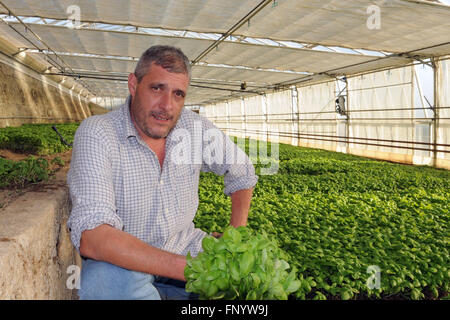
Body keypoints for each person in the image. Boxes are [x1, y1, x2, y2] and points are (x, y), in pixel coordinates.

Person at [67, 45, 258, 300]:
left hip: (187, 251)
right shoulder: (99, 132)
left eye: (178, 94)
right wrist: (190, 269)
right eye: (157, 88)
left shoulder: (193, 127)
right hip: (127, 265)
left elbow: (242, 170)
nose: (167, 106)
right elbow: (93, 236)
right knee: (102, 281)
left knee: (253, 283)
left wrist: (236, 235)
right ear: (134, 84)